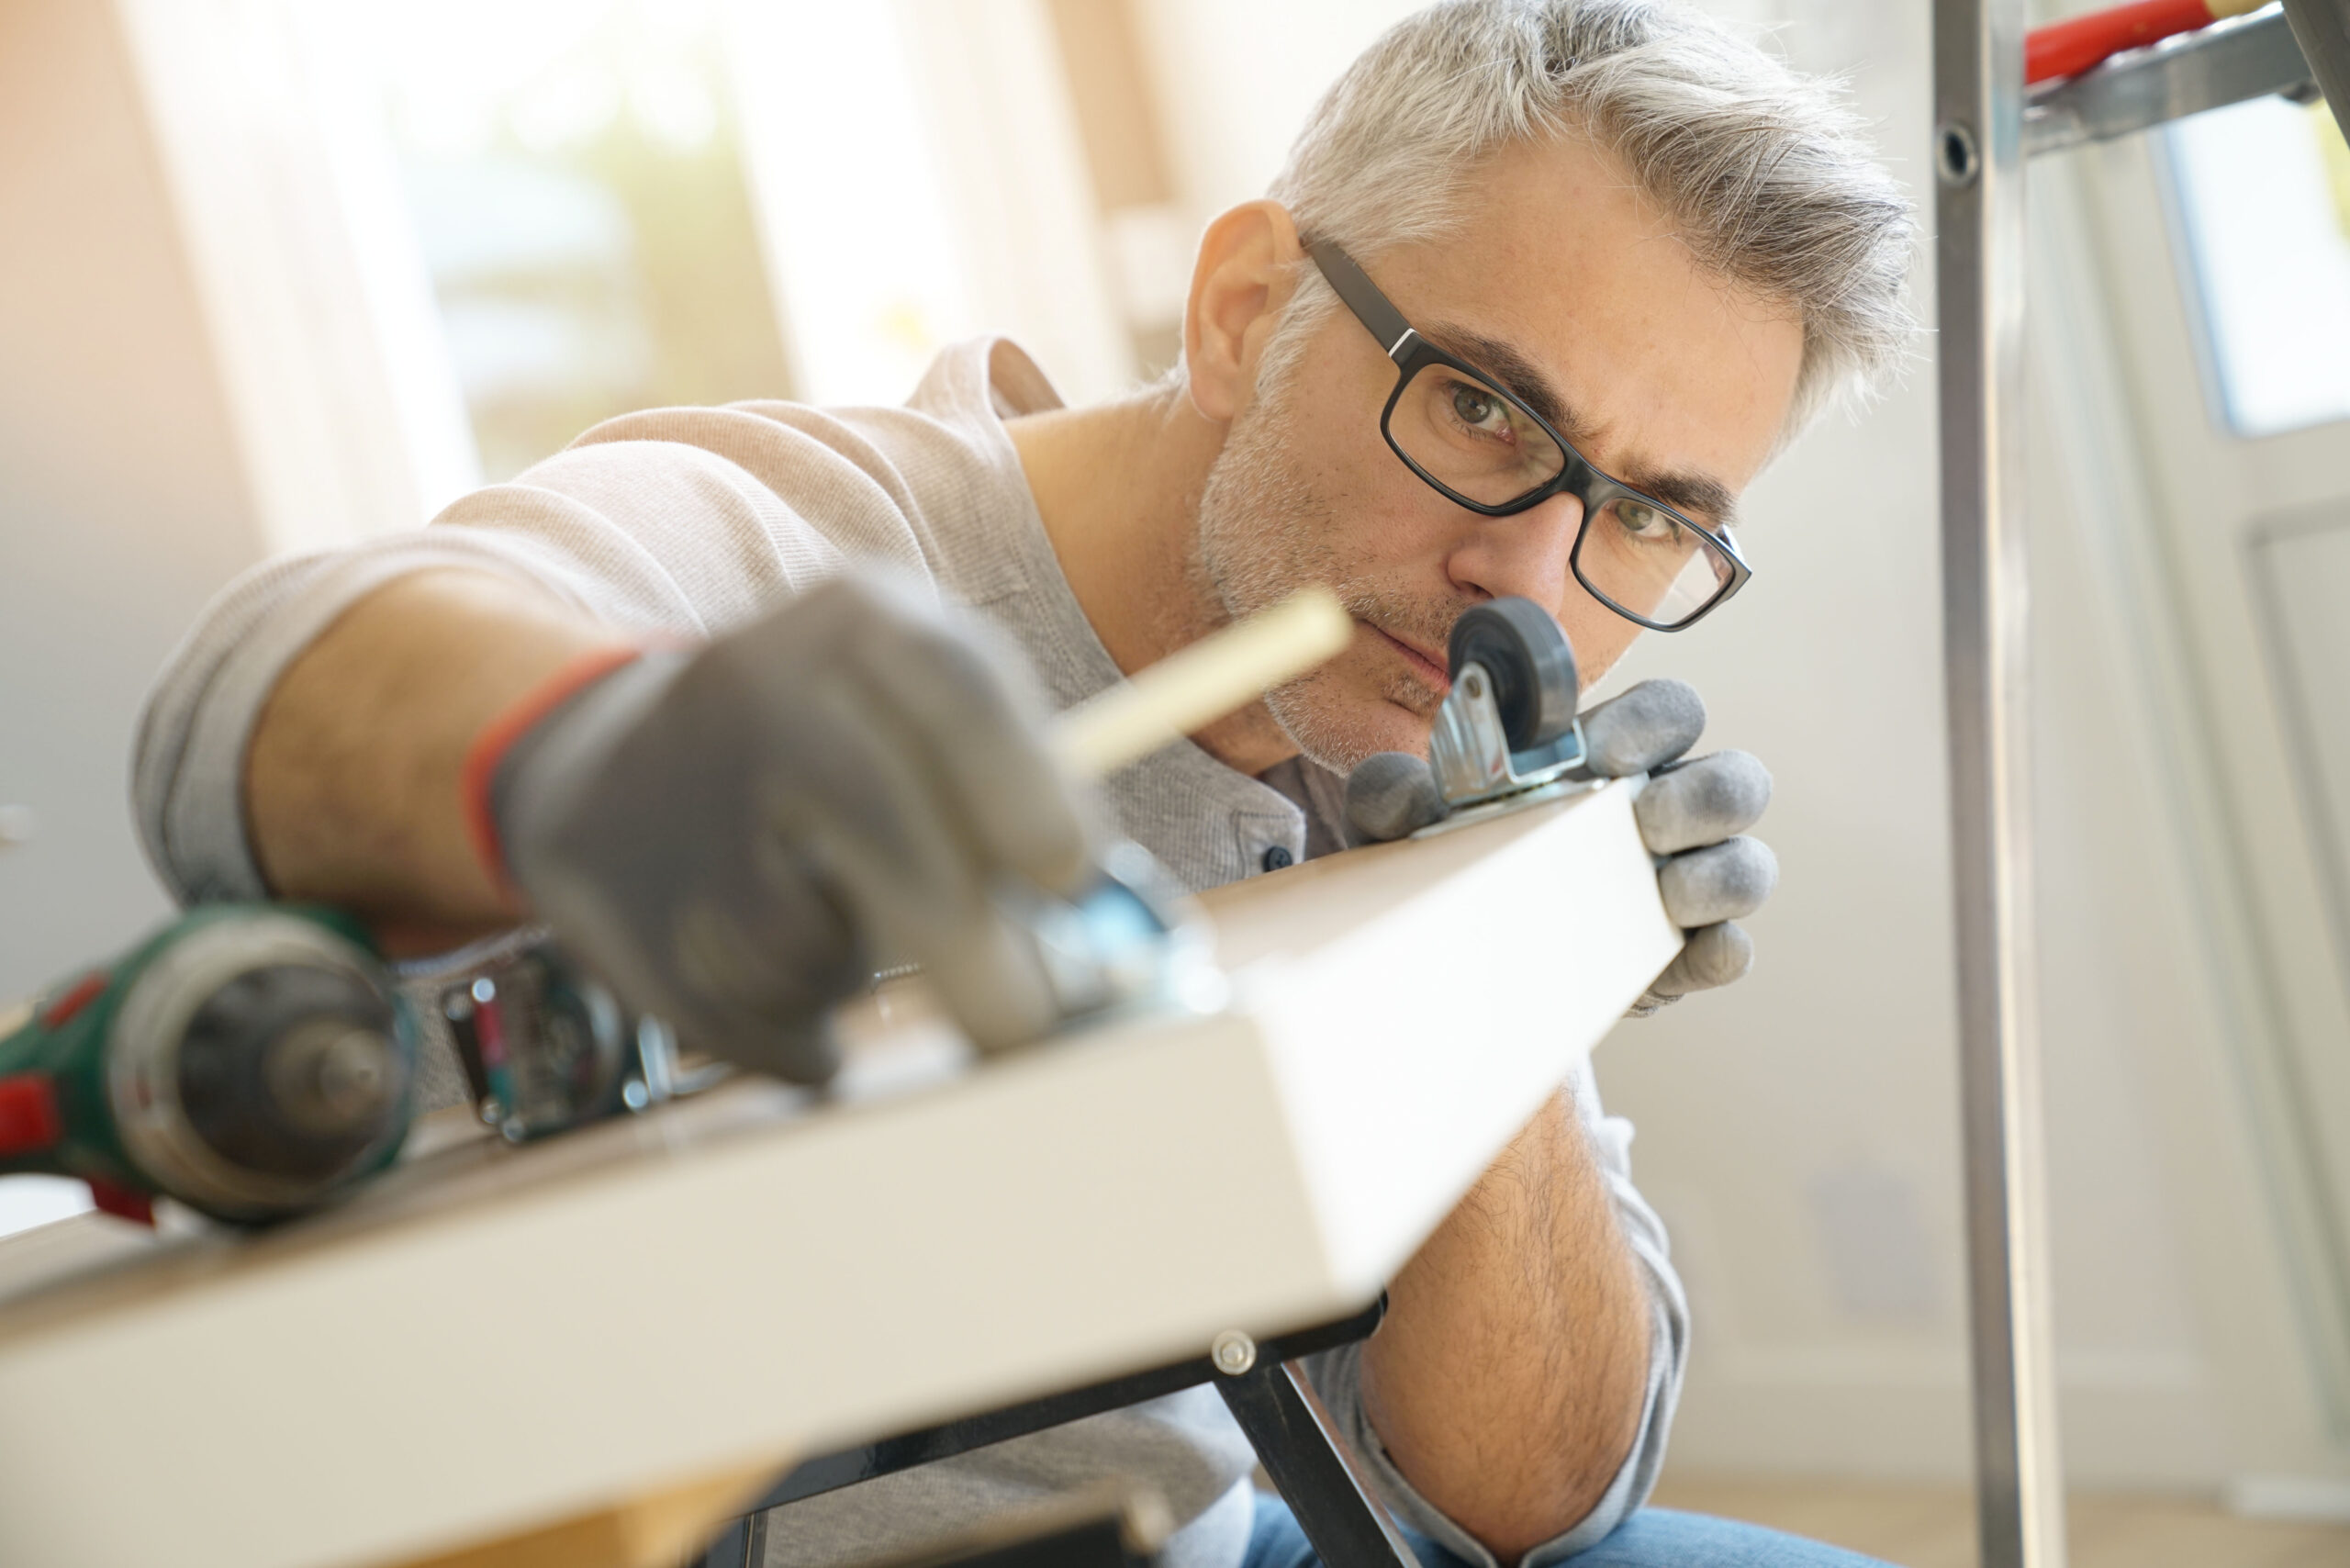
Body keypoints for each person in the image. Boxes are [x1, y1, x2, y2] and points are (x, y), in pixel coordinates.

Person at [133, 2, 1914, 1564]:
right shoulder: (808, 549)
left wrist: (1495, 954)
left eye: (1645, 514)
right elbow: (257, 702)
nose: (1524, 585)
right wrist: (604, 752)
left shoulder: (1407, 721)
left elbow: (1521, 1504)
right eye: (1480, 412)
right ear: (1240, 311)